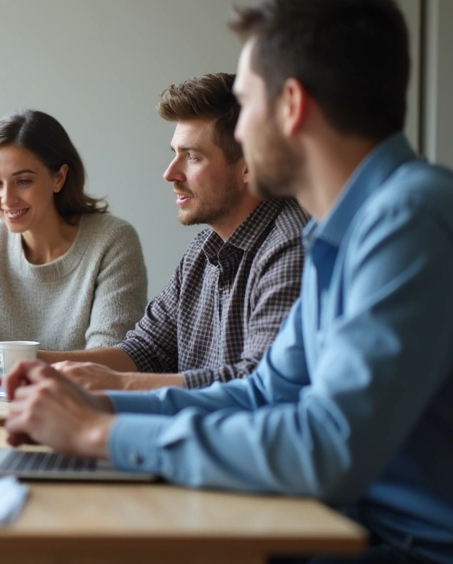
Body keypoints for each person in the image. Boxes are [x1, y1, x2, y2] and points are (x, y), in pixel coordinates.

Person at [4, 0, 453, 563]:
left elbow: (327, 447)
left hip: (411, 549)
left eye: (247, 104)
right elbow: (267, 393)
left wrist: (100, 435)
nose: (242, 130)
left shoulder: (411, 221)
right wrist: (100, 406)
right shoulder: (343, 231)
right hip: (342, 528)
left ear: (292, 106)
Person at [47, 74, 308, 391]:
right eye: (174, 152)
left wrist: (119, 384)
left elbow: (259, 384)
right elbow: (144, 351)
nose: (170, 174)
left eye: (192, 157)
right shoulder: (204, 249)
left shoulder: (292, 246)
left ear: (249, 166)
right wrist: (39, 368)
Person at [0, 110, 147, 373]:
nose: (7, 198)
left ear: (59, 178)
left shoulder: (112, 240)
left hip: (80, 408)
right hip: (4, 405)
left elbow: (111, 365)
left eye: (23, 181)